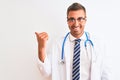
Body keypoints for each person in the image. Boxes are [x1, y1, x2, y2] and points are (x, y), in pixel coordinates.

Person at [35, 2, 111, 80]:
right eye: (72, 19)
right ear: (67, 21)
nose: (76, 24)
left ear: (85, 20)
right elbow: (45, 72)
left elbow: (106, 74)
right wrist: (41, 48)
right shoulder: (57, 44)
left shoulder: (99, 44)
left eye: (80, 19)